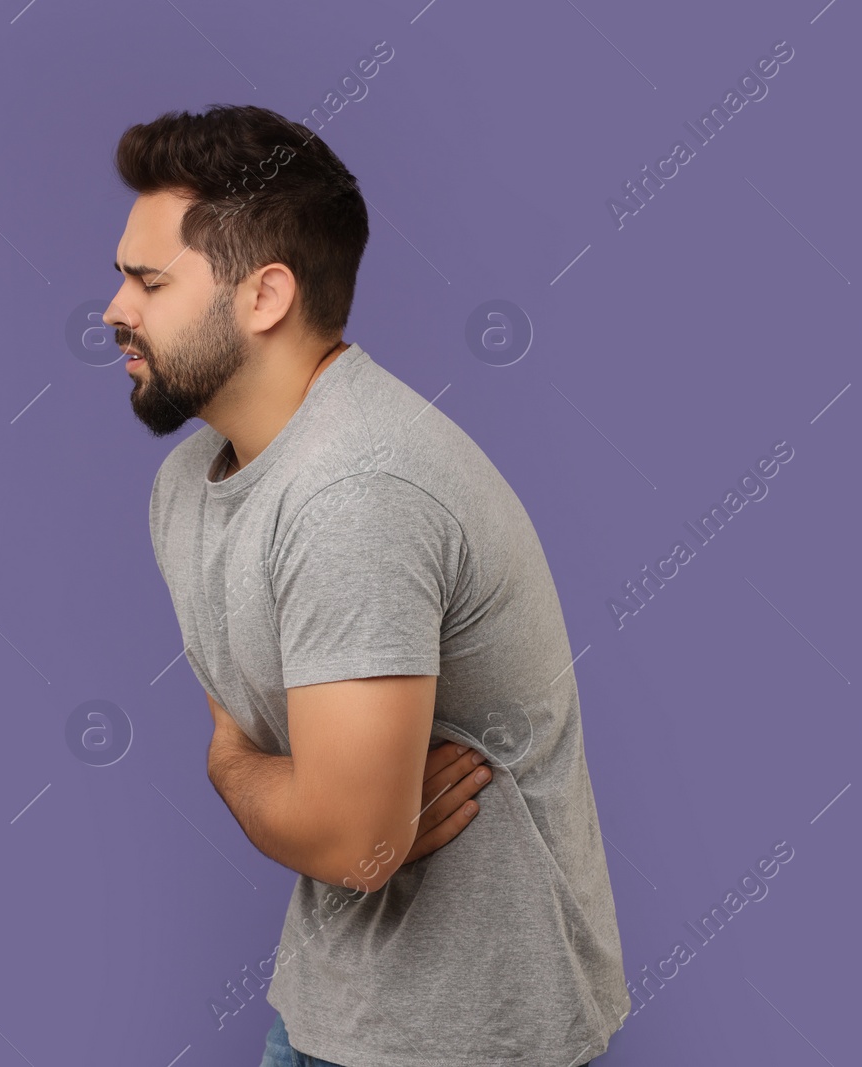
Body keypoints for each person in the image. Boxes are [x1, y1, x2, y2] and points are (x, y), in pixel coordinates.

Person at [106, 104, 628, 1067]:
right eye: (121, 279)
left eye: (150, 281)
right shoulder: (186, 490)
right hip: (322, 1010)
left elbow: (351, 843)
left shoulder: (357, 491)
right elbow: (322, 806)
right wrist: (318, 803)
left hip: (472, 1041)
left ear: (264, 297)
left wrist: (238, 774)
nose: (115, 310)